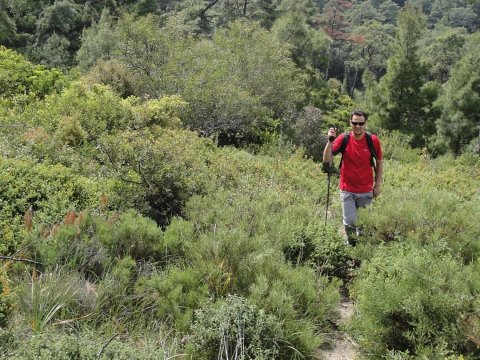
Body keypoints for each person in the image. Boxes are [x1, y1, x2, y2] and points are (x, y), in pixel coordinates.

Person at [322, 110, 383, 246]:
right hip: (347, 189)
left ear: (365, 123)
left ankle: (359, 255)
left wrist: (377, 186)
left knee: (362, 226)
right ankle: (351, 246)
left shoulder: (372, 140)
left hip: (366, 190)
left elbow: (379, 164)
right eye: (355, 123)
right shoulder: (343, 138)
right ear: (350, 123)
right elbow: (327, 160)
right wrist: (330, 141)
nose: (358, 126)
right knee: (349, 222)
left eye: (361, 123)